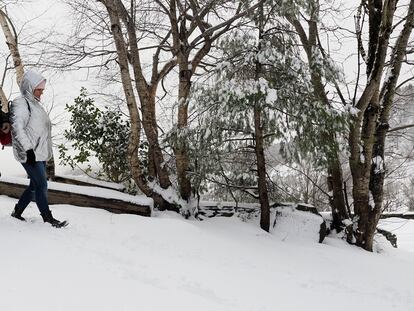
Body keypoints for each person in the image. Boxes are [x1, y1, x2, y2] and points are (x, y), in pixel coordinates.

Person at [10, 70, 67, 228]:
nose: (42, 93)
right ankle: (47, 218)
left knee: (34, 185)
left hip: (38, 152)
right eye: (39, 89)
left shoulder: (36, 104)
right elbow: (17, 128)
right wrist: (28, 150)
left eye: (42, 90)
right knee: (42, 184)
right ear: (29, 87)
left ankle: (17, 211)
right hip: (28, 153)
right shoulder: (21, 103)